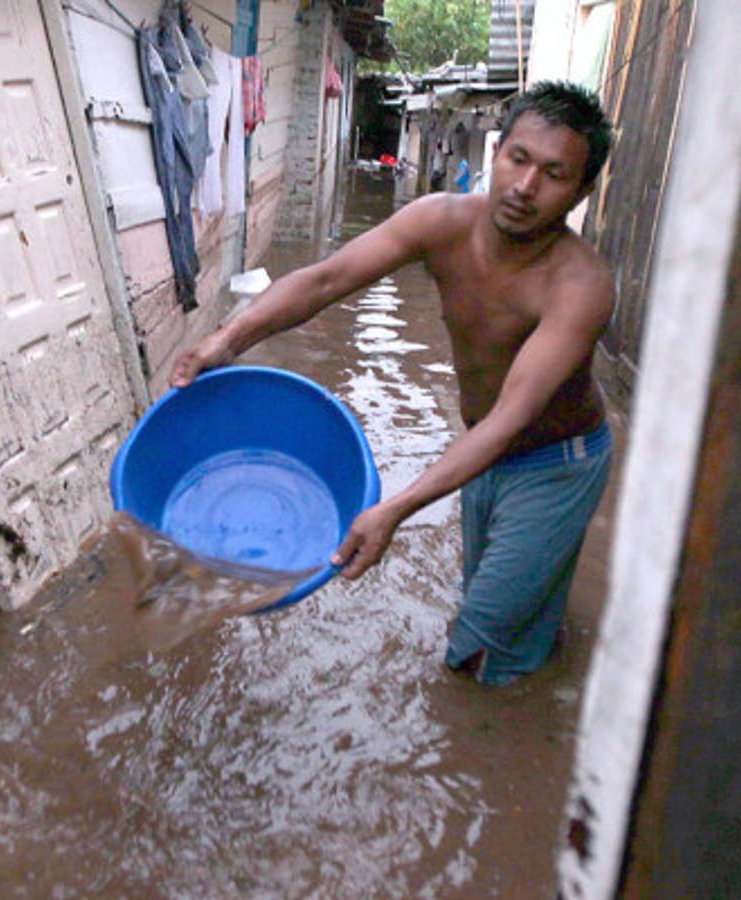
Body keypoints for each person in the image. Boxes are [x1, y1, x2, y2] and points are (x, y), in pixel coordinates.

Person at [172, 81, 615, 686]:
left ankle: (507, 692)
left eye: (555, 174)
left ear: (582, 191)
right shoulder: (441, 222)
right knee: (490, 593)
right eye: (518, 159)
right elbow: (327, 279)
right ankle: (537, 617)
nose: (524, 187)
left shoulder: (580, 286)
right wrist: (229, 338)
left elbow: (515, 414)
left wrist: (395, 510)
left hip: (553, 461)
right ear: (495, 151)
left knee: (480, 650)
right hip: (482, 450)